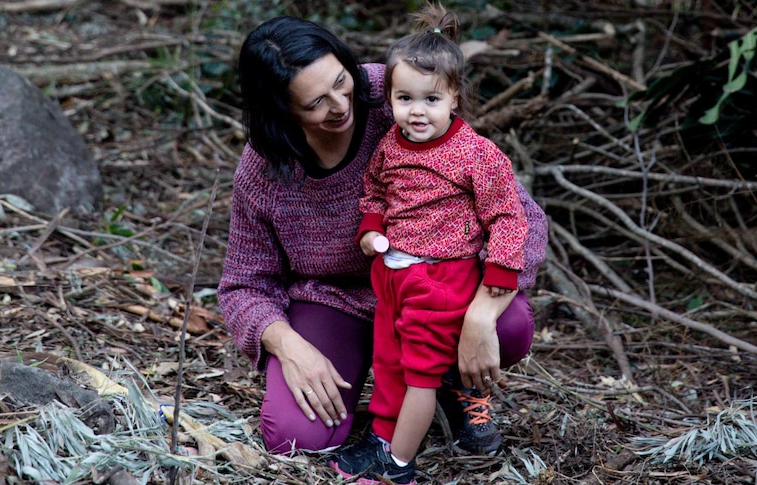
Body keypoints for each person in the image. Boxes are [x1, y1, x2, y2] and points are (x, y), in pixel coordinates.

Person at [217, 12, 548, 459]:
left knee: (510, 326)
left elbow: (520, 219)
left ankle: (447, 385)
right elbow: (243, 283)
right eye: (315, 102)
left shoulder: (398, 95)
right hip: (337, 301)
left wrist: (481, 315)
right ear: (281, 109)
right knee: (295, 438)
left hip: (436, 287)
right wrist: (288, 345)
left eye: (340, 81)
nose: (339, 104)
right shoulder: (264, 168)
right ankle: (394, 399)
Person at [328, 4, 531, 483]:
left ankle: (397, 463)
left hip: (441, 278)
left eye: (431, 100)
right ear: (390, 99)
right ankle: (382, 436)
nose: (416, 112)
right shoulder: (391, 145)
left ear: (454, 98)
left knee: (420, 375)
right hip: (393, 274)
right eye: (404, 98)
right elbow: (374, 190)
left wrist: (499, 277)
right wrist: (370, 228)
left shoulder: (475, 153)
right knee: (390, 363)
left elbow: (508, 215)